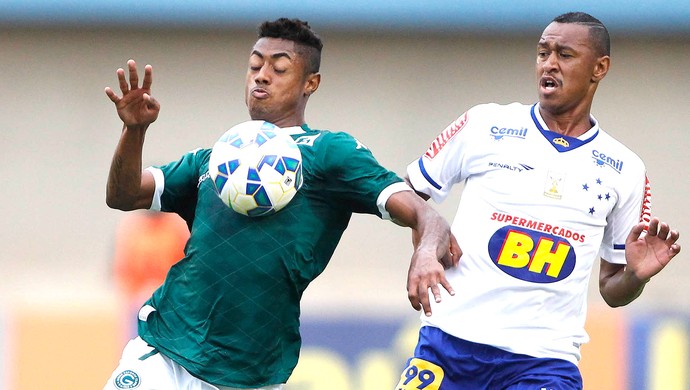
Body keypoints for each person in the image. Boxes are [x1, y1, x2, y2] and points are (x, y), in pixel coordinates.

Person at [102, 18, 457, 390]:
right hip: (165, 350)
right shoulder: (215, 158)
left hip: (252, 373)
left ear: (310, 83)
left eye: (280, 67)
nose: (262, 76)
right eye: (255, 65)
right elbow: (124, 195)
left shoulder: (328, 153)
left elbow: (423, 212)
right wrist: (134, 131)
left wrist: (426, 253)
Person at [397, 12, 681, 390]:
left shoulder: (625, 169)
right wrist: (426, 249)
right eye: (543, 52)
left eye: (565, 54)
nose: (549, 63)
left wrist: (633, 276)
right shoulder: (485, 125)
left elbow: (612, 289)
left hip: (543, 362)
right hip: (450, 346)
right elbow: (410, 191)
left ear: (600, 68)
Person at [111, 210, 189, 340]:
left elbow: (186, 269)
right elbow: (123, 270)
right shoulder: (131, 228)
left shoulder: (177, 228)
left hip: (169, 302)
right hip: (138, 301)